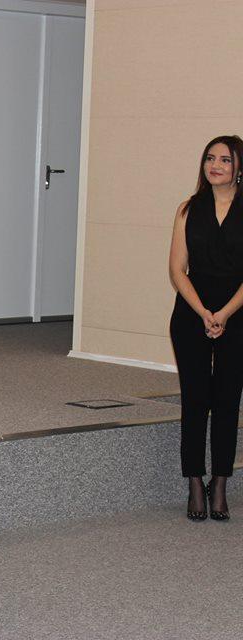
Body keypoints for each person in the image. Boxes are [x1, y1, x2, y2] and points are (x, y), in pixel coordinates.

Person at [168, 134, 243, 522]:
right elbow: (177, 269)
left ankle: (221, 482)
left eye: (225, 160)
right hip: (191, 313)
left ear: (239, 167)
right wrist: (202, 312)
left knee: (228, 401)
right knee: (195, 399)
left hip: (238, 313)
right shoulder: (188, 209)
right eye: (210, 158)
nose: (215, 165)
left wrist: (225, 313)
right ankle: (195, 481)